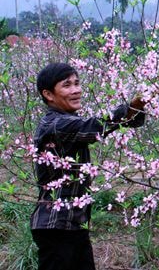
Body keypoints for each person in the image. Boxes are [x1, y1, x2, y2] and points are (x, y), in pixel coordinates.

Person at [31, 62, 146, 270]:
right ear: (48, 94)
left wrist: (135, 111)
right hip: (56, 225)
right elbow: (95, 127)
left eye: (77, 83)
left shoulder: (67, 121)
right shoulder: (55, 124)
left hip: (73, 223)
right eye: (67, 85)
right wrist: (132, 107)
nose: (76, 90)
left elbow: (106, 125)